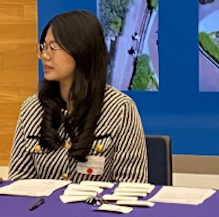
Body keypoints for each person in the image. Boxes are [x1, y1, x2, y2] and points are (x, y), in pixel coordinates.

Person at [9, 10, 147, 183]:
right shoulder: (32, 108)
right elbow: (18, 184)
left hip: (97, 209)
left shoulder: (120, 109)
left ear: (81, 50)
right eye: (43, 47)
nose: (44, 56)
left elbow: (131, 187)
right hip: (43, 209)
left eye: (53, 47)